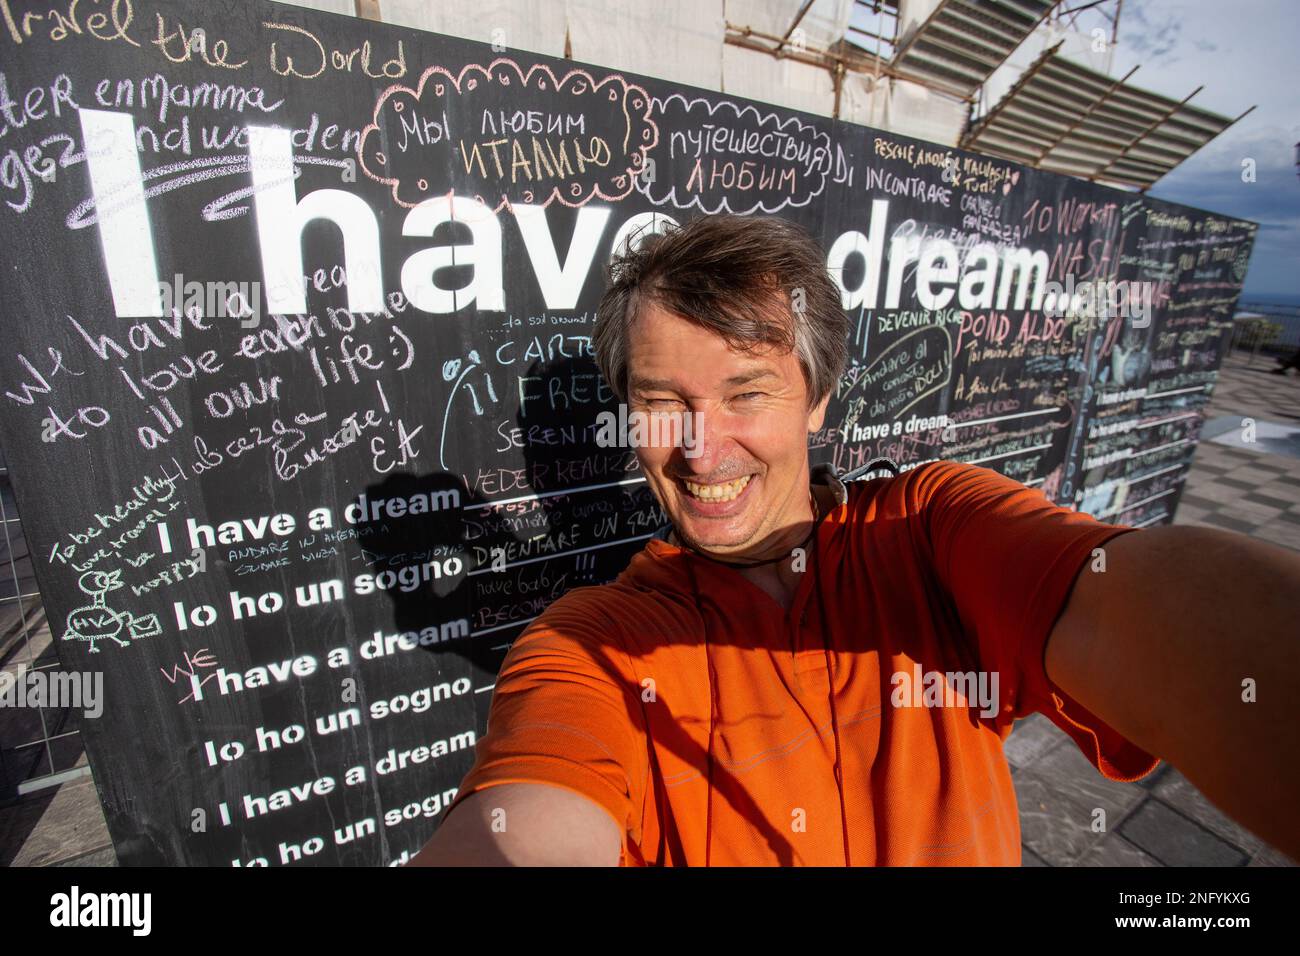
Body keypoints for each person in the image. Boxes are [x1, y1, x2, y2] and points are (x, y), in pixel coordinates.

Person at [409, 214, 1300, 866]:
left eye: (746, 392)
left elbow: (1130, 605)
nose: (699, 447)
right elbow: (525, 822)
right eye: (660, 400)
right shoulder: (589, 646)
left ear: (820, 397)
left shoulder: (929, 530)